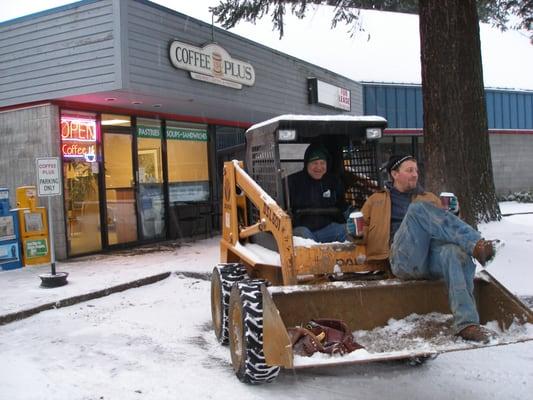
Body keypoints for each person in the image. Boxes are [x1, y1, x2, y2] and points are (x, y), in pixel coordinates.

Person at [352, 154, 499, 343]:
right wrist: (354, 232)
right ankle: (477, 245)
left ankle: (467, 324)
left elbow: (447, 228)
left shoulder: (429, 198)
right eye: (409, 170)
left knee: (455, 252)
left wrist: (454, 213)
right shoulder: (376, 200)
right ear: (394, 174)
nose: (415, 175)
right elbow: (359, 232)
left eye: (416, 171)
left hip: (429, 259)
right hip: (402, 260)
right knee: (417, 210)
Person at [288, 143, 349, 242]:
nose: (319, 167)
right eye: (315, 163)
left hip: (327, 228)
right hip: (302, 228)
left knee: (348, 230)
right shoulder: (292, 181)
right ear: (306, 164)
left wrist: (352, 213)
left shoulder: (333, 181)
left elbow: (342, 204)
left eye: (322, 163)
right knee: (303, 234)